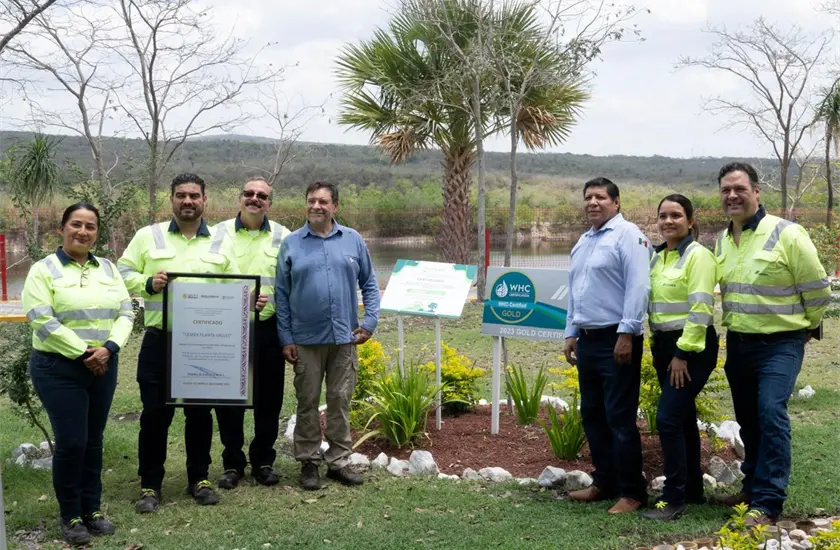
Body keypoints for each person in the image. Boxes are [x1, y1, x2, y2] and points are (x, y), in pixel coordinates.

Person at [118, 173, 261, 512]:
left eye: (194, 196)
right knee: (155, 415)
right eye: (181, 195)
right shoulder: (147, 237)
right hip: (159, 340)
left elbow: (238, 286)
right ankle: (150, 485)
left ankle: (199, 478)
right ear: (171, 199)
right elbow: (120, 274)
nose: (187, 201)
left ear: (204, 200)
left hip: (204, 341)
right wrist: (147, 282)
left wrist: (251, 300)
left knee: (199, 414)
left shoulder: (221, 242)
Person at [711, 162, 830, 524]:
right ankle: (751, 488)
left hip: (781, 344)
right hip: (739, 343)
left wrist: (807, 327)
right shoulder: (721, 239)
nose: (732, 195)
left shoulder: (787, 233)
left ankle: (768, 502)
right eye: (726, 190)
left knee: (770, 413)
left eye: (740, 189)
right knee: (749, 420)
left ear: (756, 192)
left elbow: (818, 289)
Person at [22, 203, 134, 545]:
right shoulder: (44, 270)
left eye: (90, 227)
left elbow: (127, 312)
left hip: (104, 363)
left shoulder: (109, 269)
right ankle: (70, 514)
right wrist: (85, 352)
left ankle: (92, 510)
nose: (83, 232)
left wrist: (109, 349)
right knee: (72, 442)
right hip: (59, 368)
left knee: (94, 439)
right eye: (76, 225)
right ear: (62, 228)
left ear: (97, 232)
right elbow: (41, 318)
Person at [276, 180, 380, 490]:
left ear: (335, 206)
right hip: (305, 340)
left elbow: (370, 285)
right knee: (307, 401)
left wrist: (370, 321)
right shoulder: (292, 243)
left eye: (323, 201)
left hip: (344, 339)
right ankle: (309, 461)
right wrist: (285, 337)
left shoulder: (353, 240)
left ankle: (339, 461)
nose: (316, 206)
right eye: (311, 200)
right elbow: (282, 294)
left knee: (339, 400)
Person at [562, 177, 651, 514]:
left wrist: (627, 332)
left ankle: (632, 491)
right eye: (588, 197)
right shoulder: (584, 241)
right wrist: (571, 332)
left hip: (618, 339)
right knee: (593, 413)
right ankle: (605, 482)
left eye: (600, 197)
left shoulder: (629, 236)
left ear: (616, 202)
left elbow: (638, 286)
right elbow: (575, 291)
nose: (593, 203)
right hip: (588, 339)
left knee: (619, 417)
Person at [640, 195, 719, 521]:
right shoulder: (658, 258)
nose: (668, 221)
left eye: (676, 215)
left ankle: (673, 499)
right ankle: (694, 491)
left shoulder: (698, 256)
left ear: (690, 220)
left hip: (691, 349)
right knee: (683, 418)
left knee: (669, 418)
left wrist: (682, 354)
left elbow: (701, 308)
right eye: (663, 216)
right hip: (663, 346)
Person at [213, 177, 291, 489]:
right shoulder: (217, 233)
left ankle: (263, 460)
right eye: (249, 193)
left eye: (262, 195)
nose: (254, 199)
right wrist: (237, 298)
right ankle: (233, 462)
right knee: (229, 397)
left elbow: (289, 284)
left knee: (269, 399)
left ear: (270, 203)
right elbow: (207, 277)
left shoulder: (285, 236)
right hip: (228, 327)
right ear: (239, 198)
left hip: (268, 330)